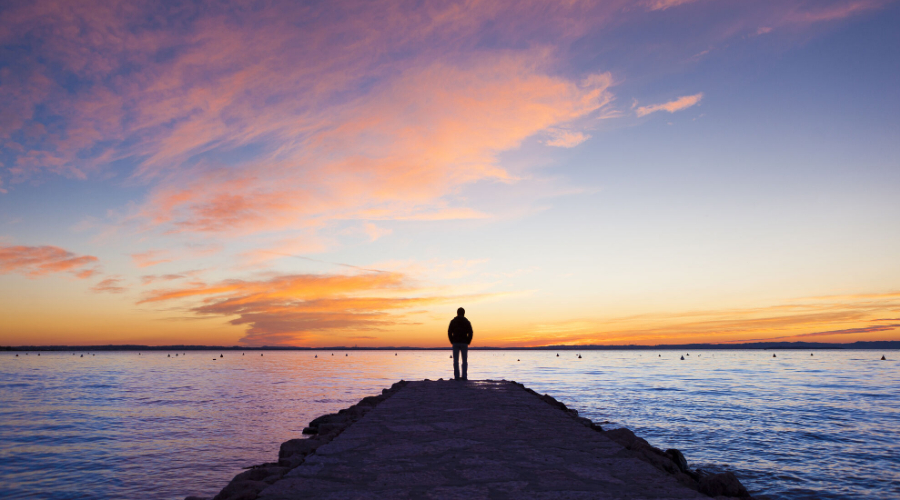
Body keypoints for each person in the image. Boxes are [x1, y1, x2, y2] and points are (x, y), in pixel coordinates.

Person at [448, 307, 473, 380]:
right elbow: (470, 332)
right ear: (464, 313)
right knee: (464, 361)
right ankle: (464, 376)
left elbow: (449, 332)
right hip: (464, 343)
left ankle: (456, 376)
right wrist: (468, 341)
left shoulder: (453, 321)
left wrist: (452, 341)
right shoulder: (466, 321)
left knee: (456, 360)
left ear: (457, 313)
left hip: (456, 342)